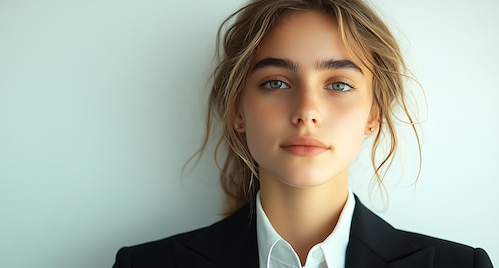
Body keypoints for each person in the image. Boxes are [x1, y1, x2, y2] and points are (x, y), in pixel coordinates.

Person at [113, 0, 494, 267]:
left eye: (339, 85)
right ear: (237, 112)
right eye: (276, 83)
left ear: (372, 117)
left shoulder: (459, 264)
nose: (307, 111)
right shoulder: (145, 264)